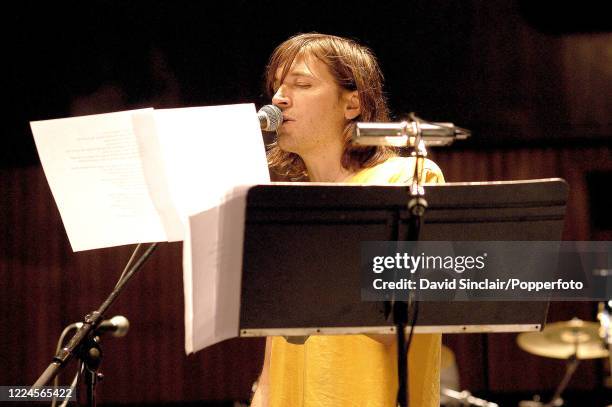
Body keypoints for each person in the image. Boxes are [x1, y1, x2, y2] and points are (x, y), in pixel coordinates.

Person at [251, 33, 444, 407]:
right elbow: (271, 368)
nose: (278, 99)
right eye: (276, 87)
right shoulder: (286, 205)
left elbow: (404, 321)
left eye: (302, 84)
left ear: (352, 103)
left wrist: (316, 303)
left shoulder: (408, 178)